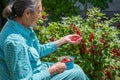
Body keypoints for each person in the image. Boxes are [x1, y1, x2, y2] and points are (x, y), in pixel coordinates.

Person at [0, 0, 89, 80]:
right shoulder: (15, 42)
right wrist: (52, 70)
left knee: (75, 67)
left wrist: (63, 40)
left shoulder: (22, 26)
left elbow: (37, 51)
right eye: (39, 12)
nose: (40, 16)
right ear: (27, 13)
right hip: (34, 75)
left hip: (37, 71)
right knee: (78, 74)